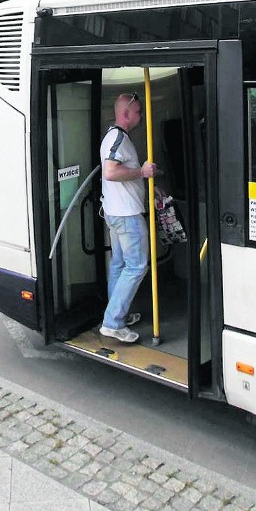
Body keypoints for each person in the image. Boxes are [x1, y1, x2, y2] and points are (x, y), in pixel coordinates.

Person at [99, 91, 158, 343]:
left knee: (120, 265)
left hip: (116, 212)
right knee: (136, 267)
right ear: (126, 114)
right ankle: (112, 322)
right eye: (138, 111)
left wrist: (146, 183)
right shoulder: (118, 138)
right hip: (127, 215)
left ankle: (117, 315)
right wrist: (143, 173)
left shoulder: (115, 137)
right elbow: (111, 172)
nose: (141, 115)